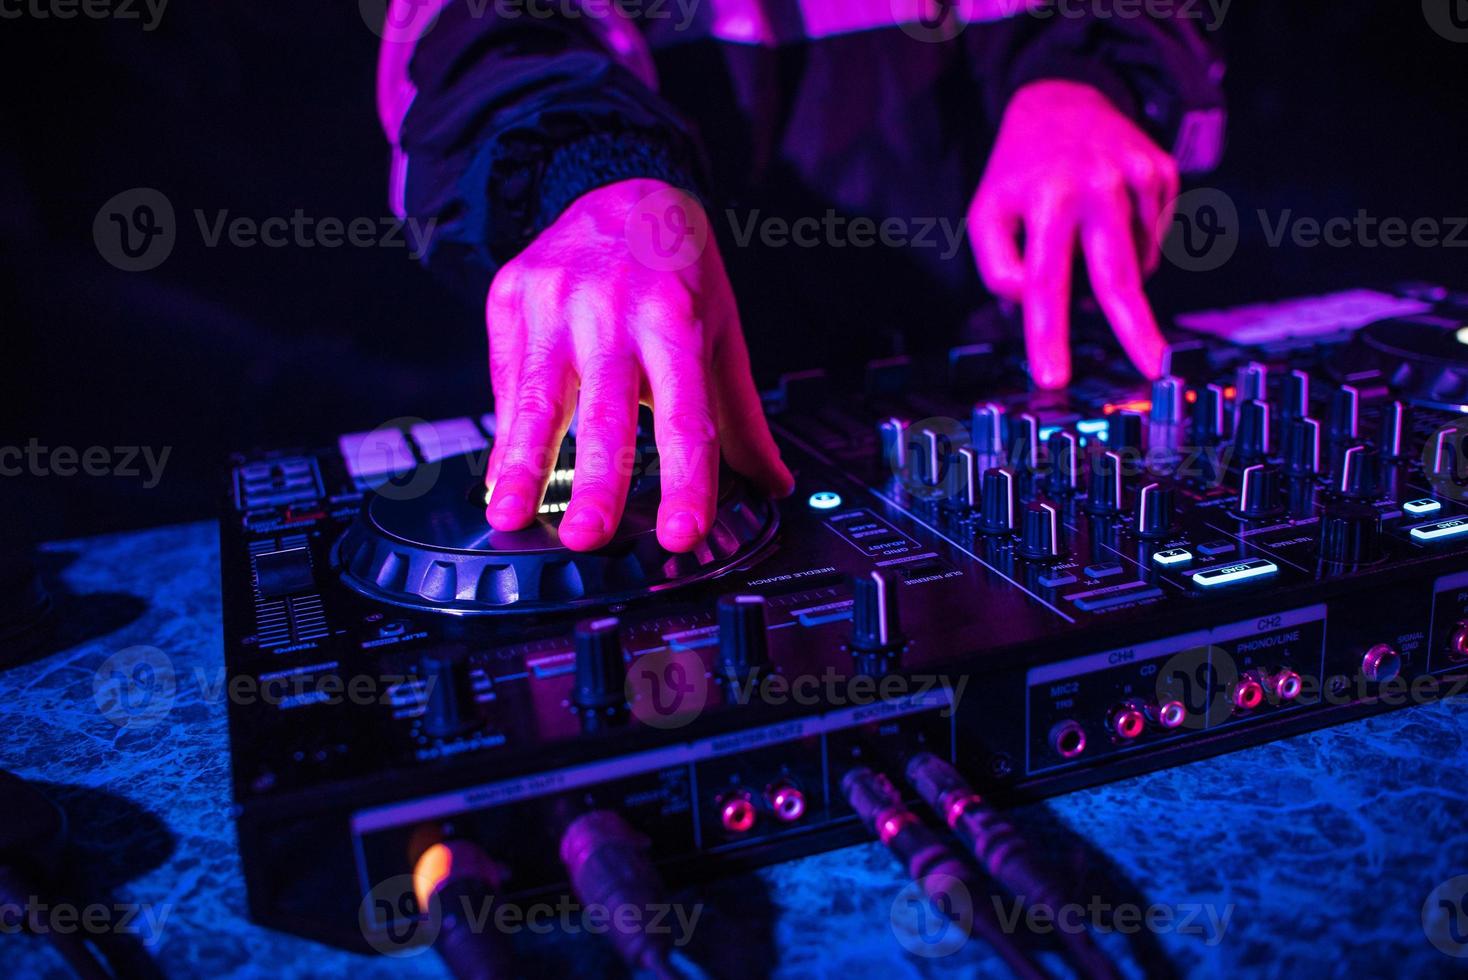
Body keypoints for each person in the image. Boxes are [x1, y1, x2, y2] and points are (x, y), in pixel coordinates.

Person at [375, 0, 1225, 553]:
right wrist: (594, 173)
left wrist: (1084, 79)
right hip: (695, 405)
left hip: (1007, 372)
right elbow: (481, 39)